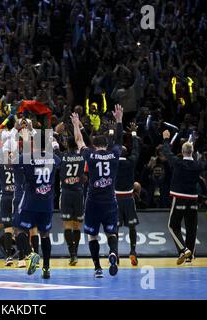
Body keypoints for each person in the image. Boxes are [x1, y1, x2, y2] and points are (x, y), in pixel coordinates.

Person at [71, 104, 123, 278]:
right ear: (106, 145)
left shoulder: (90, 156)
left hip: (93, 201)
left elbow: (79, 141)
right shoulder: (114, 154)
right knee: (111, 232)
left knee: (92, 236)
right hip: (110, 200)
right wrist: (119, 121)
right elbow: (119, 141)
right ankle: (113, 253)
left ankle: (97, 268)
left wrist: (76, 124)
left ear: (94, 145)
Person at [161, 131, 207, 265]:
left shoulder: (178, 163)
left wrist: (166, 139)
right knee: (191, 228)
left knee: (173, 226)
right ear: (193, 151)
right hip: (193, 200)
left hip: (179, 198)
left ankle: (183, 249)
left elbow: (167, 152)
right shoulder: (197, 165)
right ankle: (190, 257)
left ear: (182, 151)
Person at [13, 129, 61, 279]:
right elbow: (58, 157)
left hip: (30, 201)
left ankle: (30, 253)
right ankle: (46, 268)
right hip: (46, 203)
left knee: (19, 229)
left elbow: (15, 164)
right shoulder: (54, 158)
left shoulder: (26, 157)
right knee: (45, 234)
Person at [57, 136, 86, 266]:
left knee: (67, 226)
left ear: (66, 145)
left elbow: (51, 148)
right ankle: (76, 252)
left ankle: (72, 254)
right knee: (76, 226)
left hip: (66, 194)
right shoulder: (82, 157)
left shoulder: (62, 156)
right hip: (79, 194)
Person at [115, 123, 140, 266]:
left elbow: (112, 147)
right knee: (132, 227)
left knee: (115, 228)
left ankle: (115, 253)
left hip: (116, 199)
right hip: (129, 198)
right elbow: (136, 150)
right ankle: (133, 251)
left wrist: (113, 133)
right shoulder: (131, 161)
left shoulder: (113, 162)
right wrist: (134, 134)